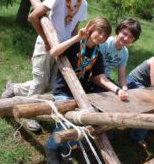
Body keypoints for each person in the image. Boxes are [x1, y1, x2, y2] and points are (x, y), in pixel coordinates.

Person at [1, 0, 89, 131]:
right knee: (40, 81)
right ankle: (29, 115)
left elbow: (76, 26)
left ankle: (14, 88)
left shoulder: (83, 3)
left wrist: (74, 48)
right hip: (46, 44)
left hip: (63, 48)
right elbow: (33, 16)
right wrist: (46, 39)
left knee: (50, 84)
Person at [45, 17, 128, 164]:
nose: (102, 37)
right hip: (63, 90)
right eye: (100, 32)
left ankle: (66, 146)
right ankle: (51, 147)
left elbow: (101, 78)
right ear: (91, 29)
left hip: (81, 93)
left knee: (85, 120)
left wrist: (117, 90)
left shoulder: (97, 54)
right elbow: (53, 52)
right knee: (67, 121)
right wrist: (77, 37)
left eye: (105, 35)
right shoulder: (76, 44)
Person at [92, 18, 142, 92]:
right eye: (124, 33)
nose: (126, 38)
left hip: (106, 79)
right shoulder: (104, 43)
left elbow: (122, 77)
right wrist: (117, 90)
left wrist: (125, 89)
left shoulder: (125, 52)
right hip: (94, 78)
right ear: (119, 30)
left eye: (131, 37)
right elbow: (92, 73)